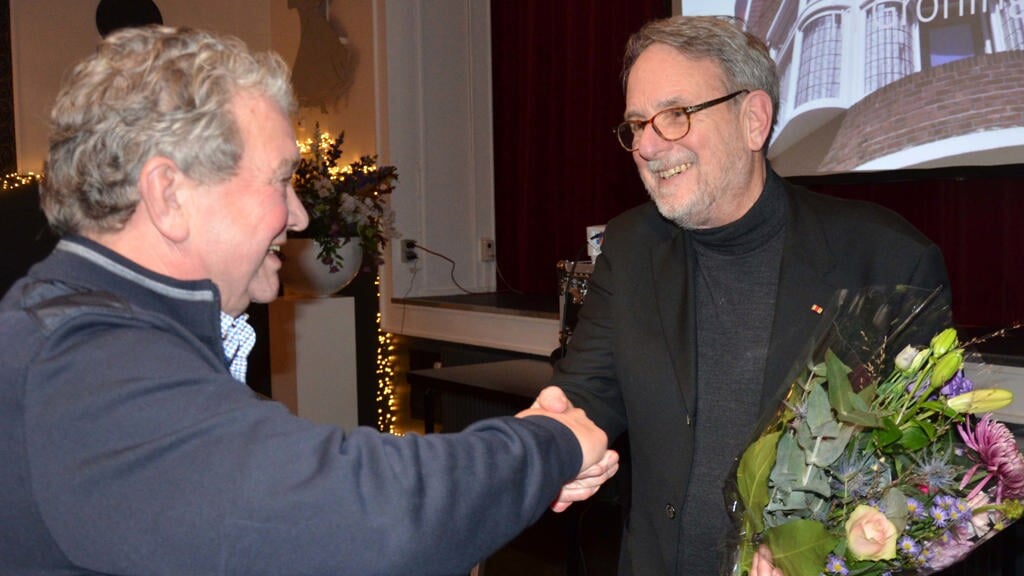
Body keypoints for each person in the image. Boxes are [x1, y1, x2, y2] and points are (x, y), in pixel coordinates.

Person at [0, 26, 617, 575]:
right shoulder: (83, 364)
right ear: (168, 195)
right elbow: (370, 520)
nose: (296, 215)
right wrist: (549, 444)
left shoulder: (92, 332)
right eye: (279, 180)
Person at [536, 15, 951, 576]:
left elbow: (928, 469)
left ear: (753, 119)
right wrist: (547, 442)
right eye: (636, 124)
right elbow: (587, 393)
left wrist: (828, 551)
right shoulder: (631, 247)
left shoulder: (887, 260)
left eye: (675, 116)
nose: (647, 146)